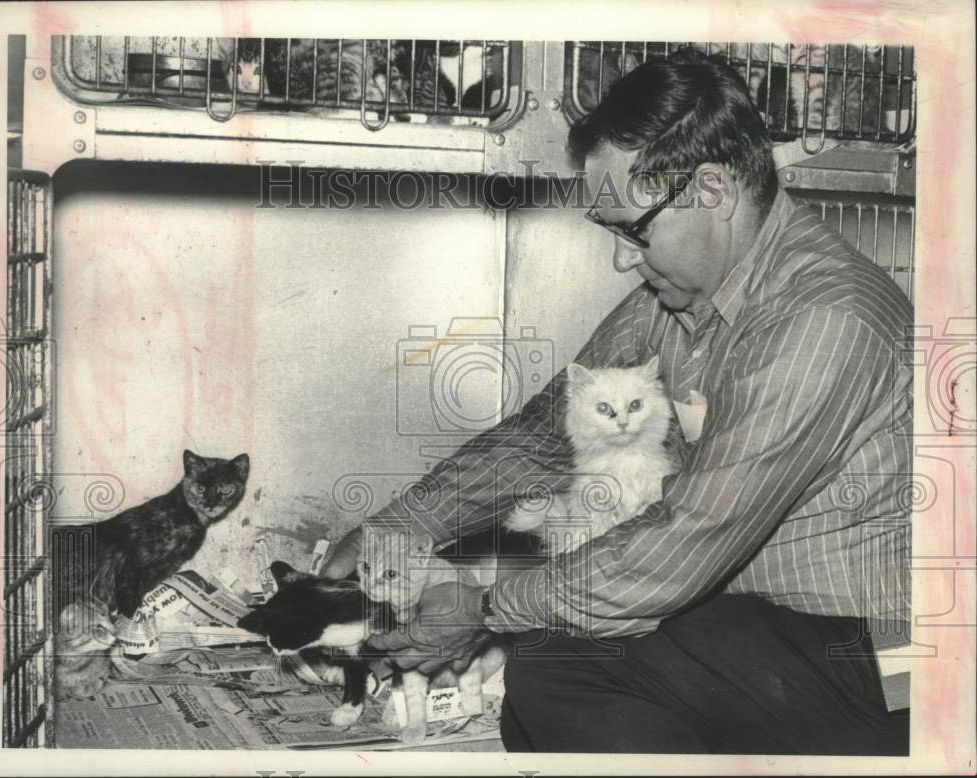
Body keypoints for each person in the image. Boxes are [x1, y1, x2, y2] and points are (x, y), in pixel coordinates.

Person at [323, 49, 912, 754]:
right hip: (755, 624)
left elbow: (686, 541)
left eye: (634, 230)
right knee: (551, 677)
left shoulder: (825, 319)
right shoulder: (672, 303)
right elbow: (540, 441)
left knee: (561, 665)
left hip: (870, 659)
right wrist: (394, 530)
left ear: (714, 190)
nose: (622, 259)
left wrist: (482, 608)